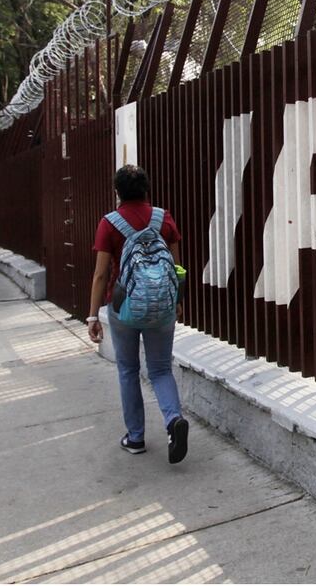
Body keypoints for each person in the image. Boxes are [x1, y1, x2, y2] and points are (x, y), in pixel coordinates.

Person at [88, 164, 189, 464]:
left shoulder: (109, 223)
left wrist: (93, 316)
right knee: (160, 369)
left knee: (128, 370)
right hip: (162, 308)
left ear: (117, 192)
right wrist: (177, 302)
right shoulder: (163, 218)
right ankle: (173, 421)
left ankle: (135, 437)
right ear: (146, 190)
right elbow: (176, 267)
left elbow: (101, 274)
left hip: (124, 308)